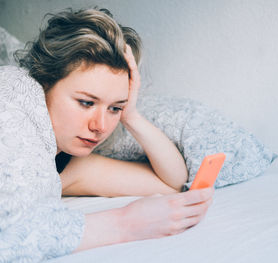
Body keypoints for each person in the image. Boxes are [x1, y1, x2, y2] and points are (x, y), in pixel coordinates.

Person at [0, 7, 214, 262]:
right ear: (45, 82)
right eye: (86, 103)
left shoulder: (68, 166)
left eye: (114, 108)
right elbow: (11, 231)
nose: (100, 126)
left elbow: (172, 182)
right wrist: (126, 223)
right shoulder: (13, 94)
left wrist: (131, 116)